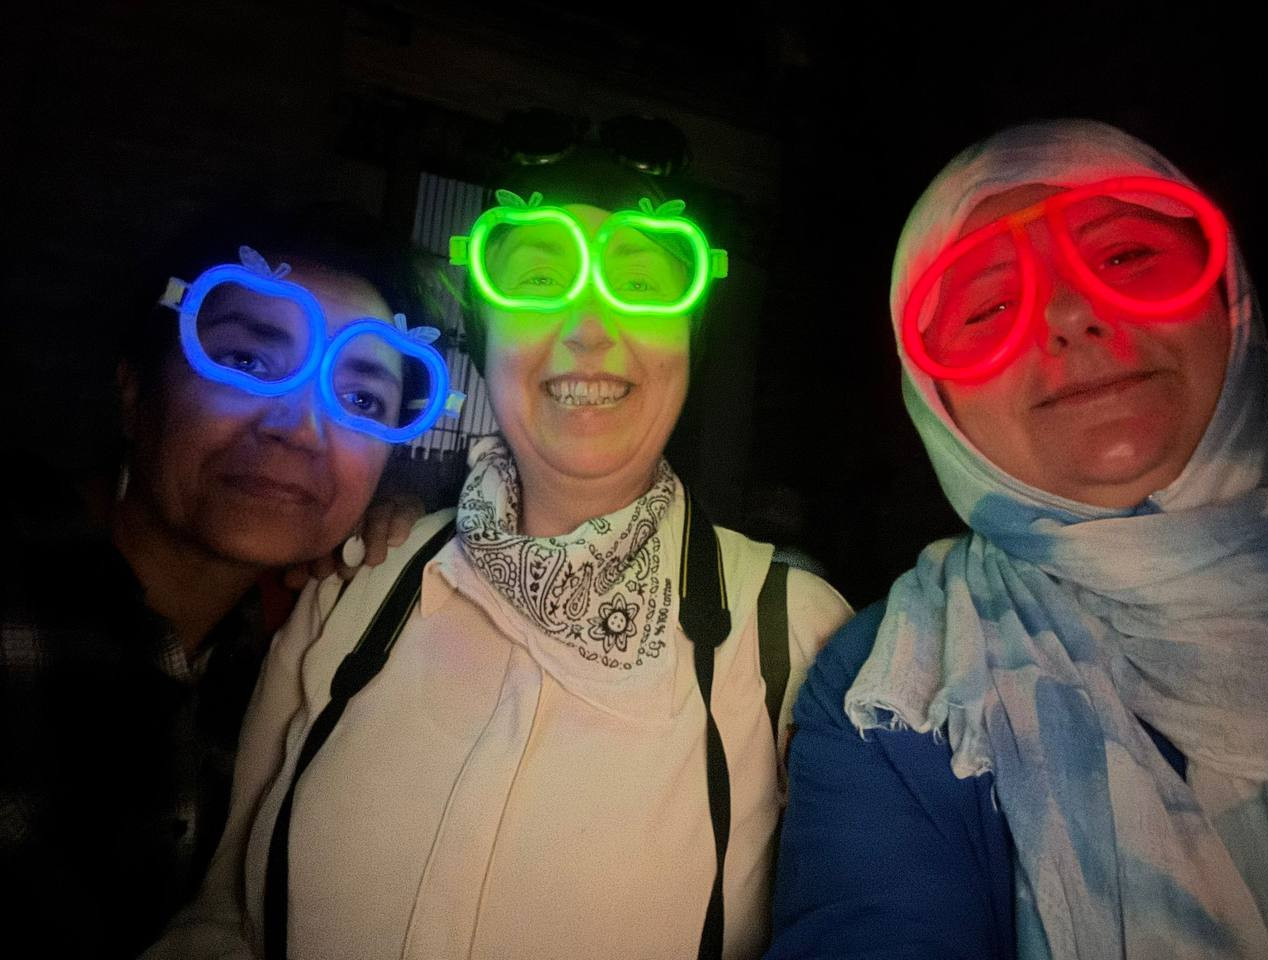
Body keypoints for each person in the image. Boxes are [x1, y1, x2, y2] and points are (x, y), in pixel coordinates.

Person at [146, 151, 851, 960]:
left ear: (688, 347)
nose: (588, 329)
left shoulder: (793, 639)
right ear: (486, 344)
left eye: (641, 283)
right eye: (540, 280)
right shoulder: (356, 587)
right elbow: (225, 918)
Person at [768, 119, 1268, 960]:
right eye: (991, 307)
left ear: (1230, 300)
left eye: (1127, 257)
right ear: (937, 404)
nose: (1073, 312)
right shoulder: (893, 693)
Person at [0, 206, 453, 959]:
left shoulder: (300, 657)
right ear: (134, 389)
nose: (299, 428)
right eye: (247, 361)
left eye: (361, 401)